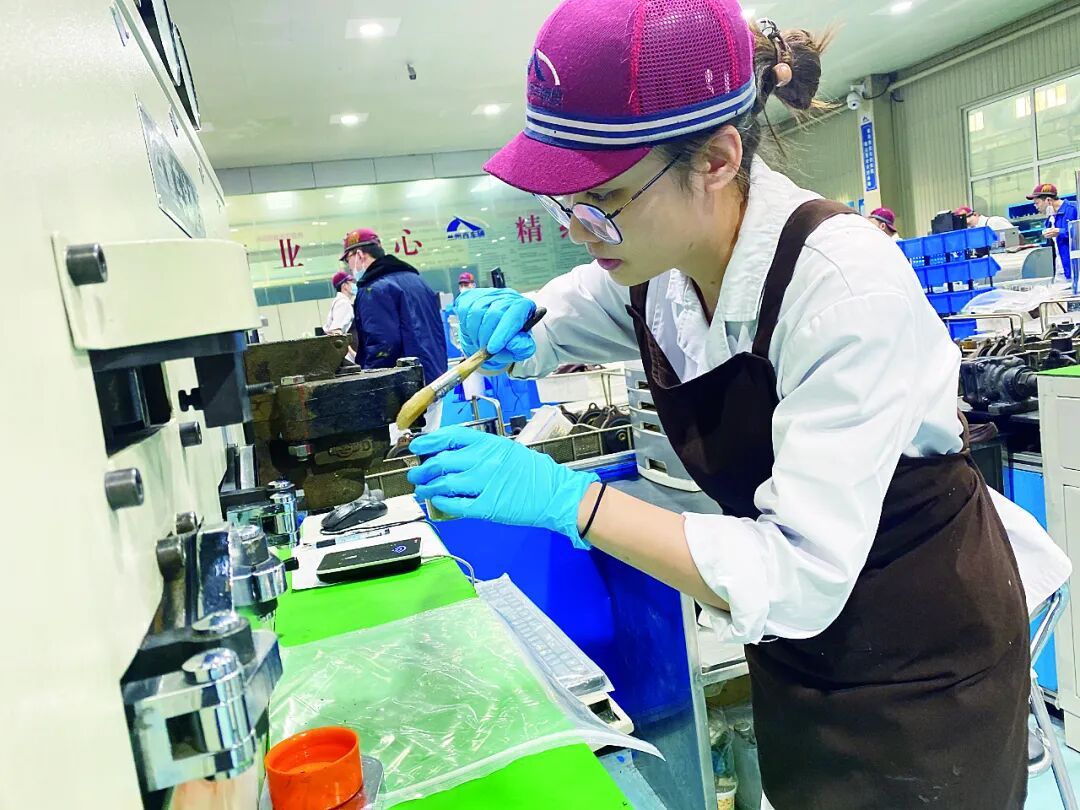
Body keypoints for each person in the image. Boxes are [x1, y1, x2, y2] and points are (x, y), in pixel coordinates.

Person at [405, 2, 1049, 807]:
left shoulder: (841, 288)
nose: (578, 231)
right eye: (563, 205)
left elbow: (801, 573)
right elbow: (560, 316)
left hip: (920, 658)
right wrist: (511, 330)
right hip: (801, 649)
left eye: (600, 199)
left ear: (715, 158)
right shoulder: (660, 262)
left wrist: (571, 503)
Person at [340, 227, 448, 387]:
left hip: (406, 387)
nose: (348, 267)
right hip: (435, 377)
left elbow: (382, 346)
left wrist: (369, 384)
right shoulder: (417, 280)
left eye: (347, 259)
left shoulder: (374, 289)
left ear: (359, 255)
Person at [1028, 183, 1078, 280]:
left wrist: (1061, 232)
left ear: (1048, 200)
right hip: (1061, 271)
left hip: (1076, 269)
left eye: (1037, 203)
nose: (1036, 207)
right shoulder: (1050, 220)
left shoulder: (1075, 208)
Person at [324, 270, 356, 336]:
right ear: (344, 286)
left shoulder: (341, 301)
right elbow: (335, 331)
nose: (354, 284)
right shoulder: (343, 303)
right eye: (351, 282)